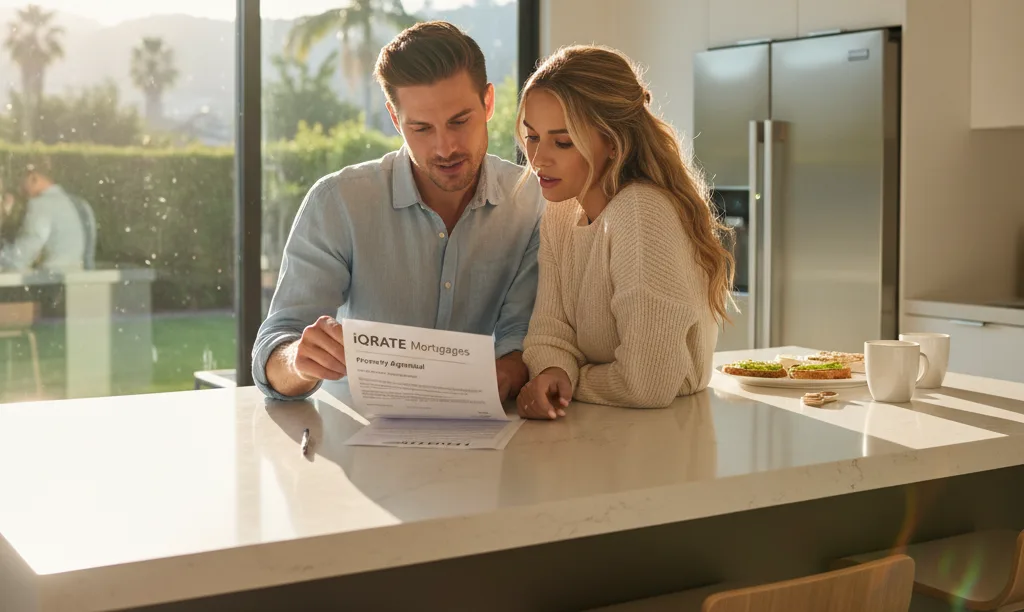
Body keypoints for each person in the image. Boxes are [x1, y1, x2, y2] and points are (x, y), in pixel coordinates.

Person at [253, 21, 545, 402]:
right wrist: (298, 360)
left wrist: (500, 376)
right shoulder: (338, 203)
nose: (445, 147)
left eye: (459, 121)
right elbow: (275, 349)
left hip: (481, 428)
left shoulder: (530, 201)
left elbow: (521, 337)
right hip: (358, 437)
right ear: (395, 119)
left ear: (488, 102)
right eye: (421, 128)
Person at [515, 45, 736, 418]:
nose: (537, 159)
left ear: (613, 144)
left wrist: (571, 380)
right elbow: (548, 333)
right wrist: (554, 370)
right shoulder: (561, 212)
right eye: (532, 136)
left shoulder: (641, 213)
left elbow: (647, 383)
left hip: (667, 435)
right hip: (604, 427)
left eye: (562, 141)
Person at [0, 160, 87, 272]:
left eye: (21, 181)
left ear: (33, 178)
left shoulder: (40, 205)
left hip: (50, 280)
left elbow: (21, 257)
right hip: (73, 277)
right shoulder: (69, 202)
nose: (19, 188)